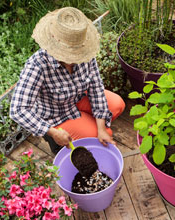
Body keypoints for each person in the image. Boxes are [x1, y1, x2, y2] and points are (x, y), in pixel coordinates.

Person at [10, 7, 125, 154]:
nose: (74, 59)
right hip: (56, 114)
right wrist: (51, 131)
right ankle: (55, 139)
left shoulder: (85, 51)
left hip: (78, 97)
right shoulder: (37, 65)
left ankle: (88, 123)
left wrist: (101, 128)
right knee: (102, 136)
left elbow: (95, 87)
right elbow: (17, 109)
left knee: (117, 105)